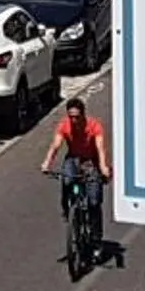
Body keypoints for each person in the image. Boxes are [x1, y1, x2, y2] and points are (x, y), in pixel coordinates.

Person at [41, 96, 112, 234]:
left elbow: (100, 148)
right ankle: (68, 209)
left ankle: (96, 235)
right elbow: (55, 145)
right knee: (67, 180)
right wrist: (47, 163)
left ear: (83, 114)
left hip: (91, 160)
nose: (74, 120)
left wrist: (103, 167)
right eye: (71, 117)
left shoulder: (94, 126)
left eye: (77, 117)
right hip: (73, 159)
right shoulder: (64, 125)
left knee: (94, 201)